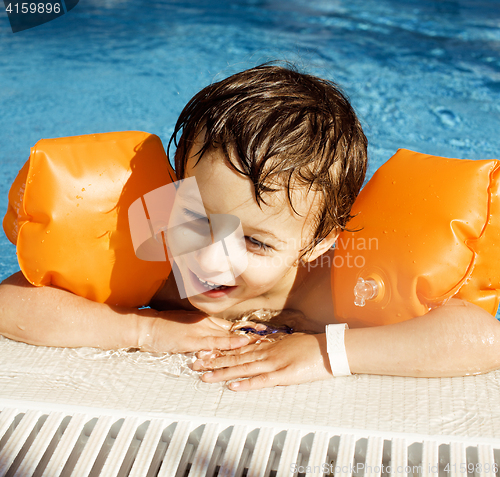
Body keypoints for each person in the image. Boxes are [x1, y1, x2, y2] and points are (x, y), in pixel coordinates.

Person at [0, 64, 499, 391]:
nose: (209, 259)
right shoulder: (161, 249)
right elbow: (10, 302)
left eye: (255, 242)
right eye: (197, 218)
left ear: (318, 241)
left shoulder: (334, 287)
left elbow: (480, 338)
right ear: (173, 191)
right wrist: (140, 329)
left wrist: (330, 353)